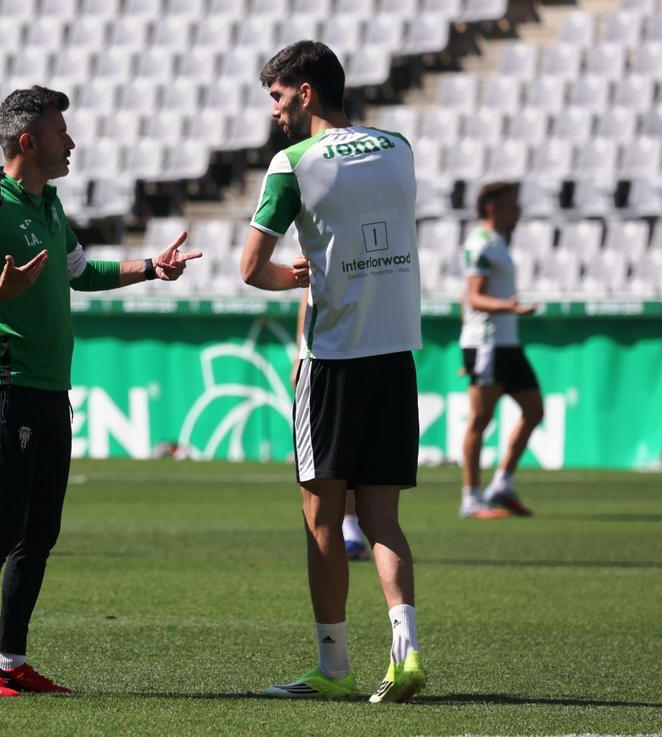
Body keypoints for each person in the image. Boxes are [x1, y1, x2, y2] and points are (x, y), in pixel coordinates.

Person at [0, 86, 202, 697]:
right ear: (28, 142)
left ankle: (9, 659)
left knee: (40, 532)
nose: (72, 143)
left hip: (50, 389)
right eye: (62, 132)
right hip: (6, 387)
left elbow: (80, 275)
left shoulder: (50, 206)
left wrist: (149, 269)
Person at [240, 41, 424, 703]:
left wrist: (288, 276)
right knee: (382, 518)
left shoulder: (292, 164)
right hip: (395, 354)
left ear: (307, 91)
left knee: (322, 520)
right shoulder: (399, 146)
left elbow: (251, 267)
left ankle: (333, 664)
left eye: (278, 94)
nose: (274, 109)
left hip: (334, 360)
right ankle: (406, 653)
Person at [458, 181, 541, 520]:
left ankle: (502, 482)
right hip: (487, 344)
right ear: (492, 207)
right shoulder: (480, 244)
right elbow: (474, 297)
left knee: (534, 410)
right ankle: (471, 498)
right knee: (480, 421)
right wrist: (509, 307)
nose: (517, 211)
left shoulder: (497, 243)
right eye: (510, 204)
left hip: (505, 343)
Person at [292, 285, 370, 561]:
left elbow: (253, 271)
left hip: (376, 352)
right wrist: (301, 353)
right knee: (335, 458)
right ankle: (349, 526)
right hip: (330, 355)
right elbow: (309, 290)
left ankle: (353, 526)